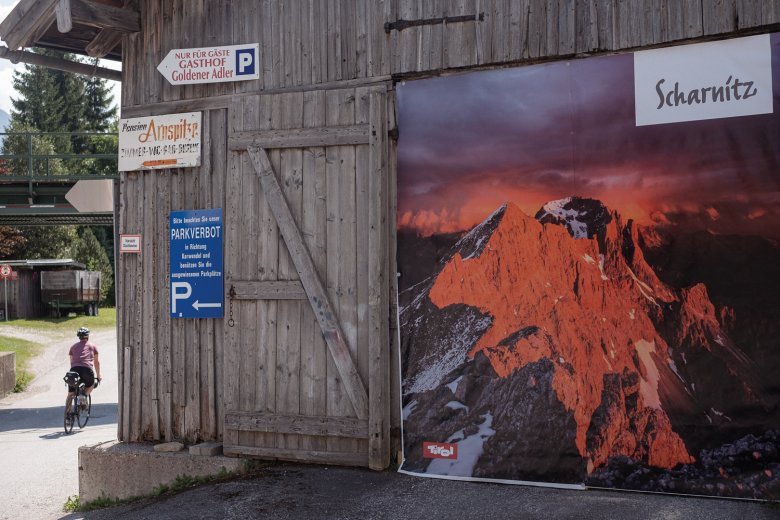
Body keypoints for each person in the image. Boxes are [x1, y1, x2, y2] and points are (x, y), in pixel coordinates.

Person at [65, 327, 101, 412]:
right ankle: (84, 396)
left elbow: (71, 362)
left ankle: (67, 417)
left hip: (74, 370)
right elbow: (96, 362)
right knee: (91, 384)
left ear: (79, 337)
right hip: (86, 369)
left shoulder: (73, 347)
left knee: (70, 394)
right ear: (87, 336)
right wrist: (98, 376)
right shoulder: (93, 346)